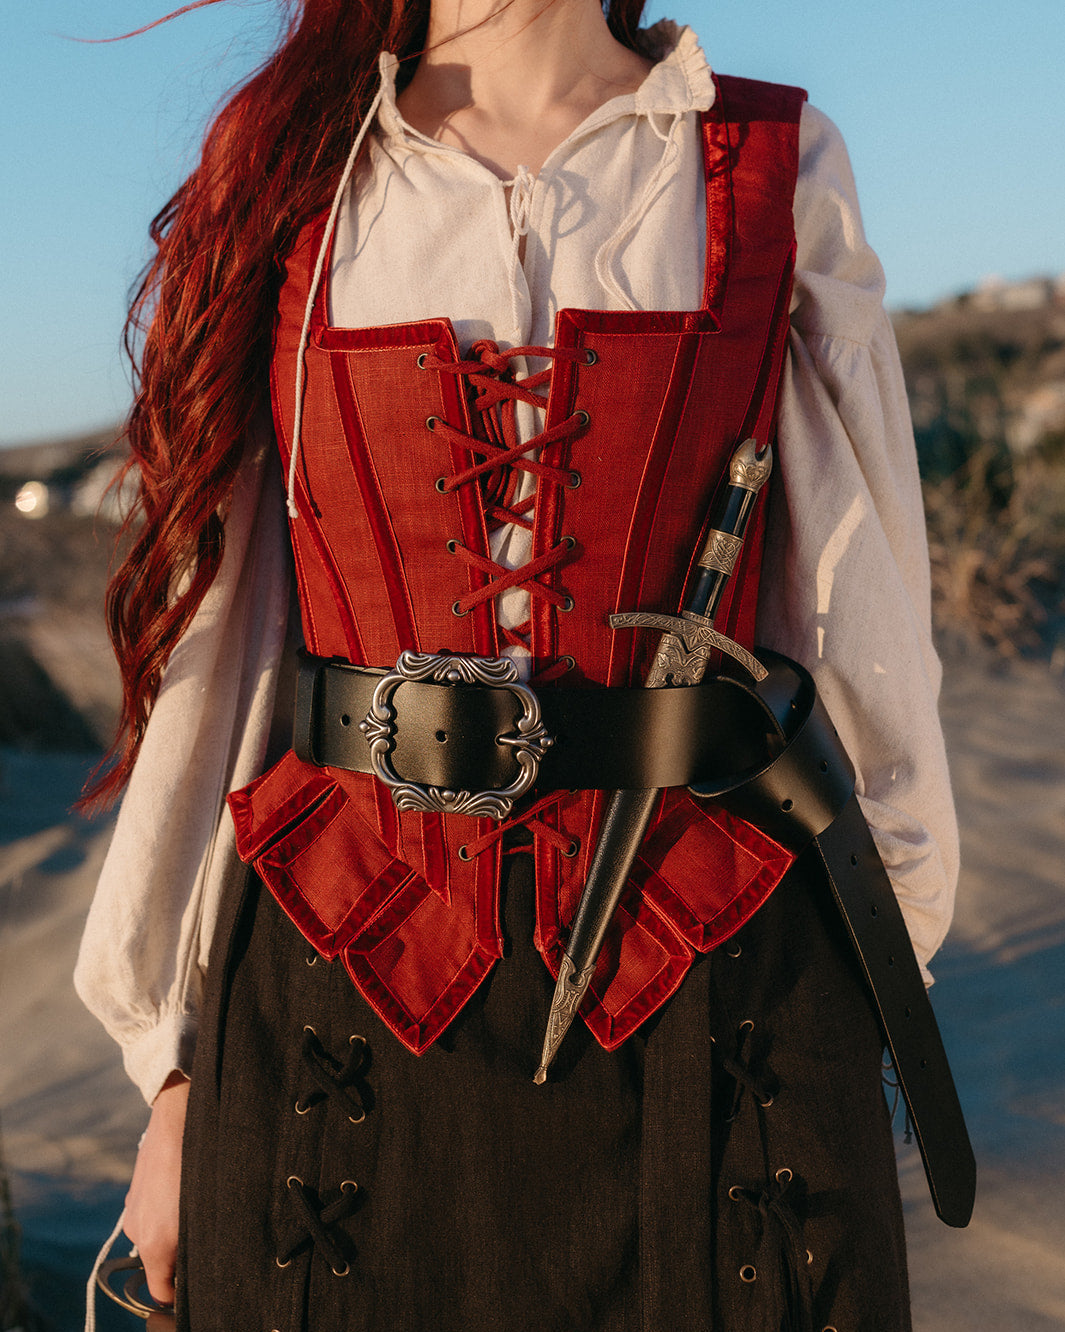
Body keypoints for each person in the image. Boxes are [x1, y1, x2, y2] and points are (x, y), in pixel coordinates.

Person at [76, 0, 961, 1328]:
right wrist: (173, 1066)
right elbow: (232, 632)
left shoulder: (762, 160)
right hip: (341, 980)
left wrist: (882, 968)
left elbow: (859, 607)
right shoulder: (302, 169)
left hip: (712, 972)